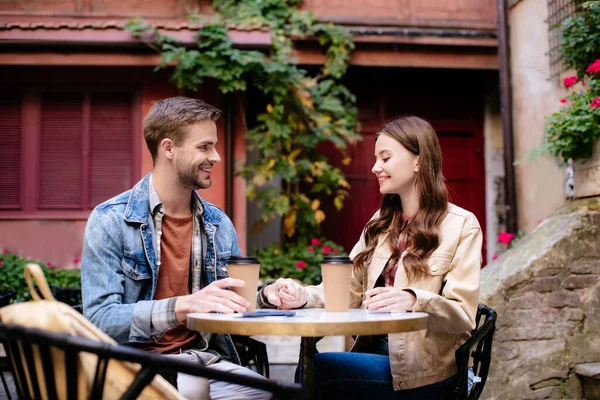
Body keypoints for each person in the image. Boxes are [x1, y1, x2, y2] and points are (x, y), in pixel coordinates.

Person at [258, 115, 482, 399]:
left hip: (423, 371)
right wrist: (303, 297)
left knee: (317, 369)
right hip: (375, 355)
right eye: (377, 159)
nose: (376, 167)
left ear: (418, 161)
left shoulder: (461, 225)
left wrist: (414, 300)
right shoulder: (381, 223)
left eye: (385, 158)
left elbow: (462, 315)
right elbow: (347, 291)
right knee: (311, 368)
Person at [82, 97, 271, 400]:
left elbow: (235, 305)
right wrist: (181, 306)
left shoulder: (218, 223)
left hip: (203, 360)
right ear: (168, 148)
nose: (217, 157)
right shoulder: (110, 220)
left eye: (215, 146)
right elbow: (99, 320)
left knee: (263, 393)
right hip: (133, 368)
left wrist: (267, 297)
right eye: (205, 147)